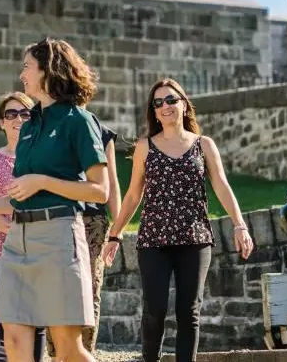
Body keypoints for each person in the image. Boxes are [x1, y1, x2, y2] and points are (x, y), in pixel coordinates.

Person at [0, 37, 109, 362]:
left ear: (48, 71)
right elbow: (18, 197)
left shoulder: (79, 121)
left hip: (58, 237)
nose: (22, 75)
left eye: (27, 66)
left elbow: (99, 190)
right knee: (14, 343)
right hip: (16, 243)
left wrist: (43, 181)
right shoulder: (30, 126)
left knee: (68, 349)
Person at [101, 77, 254, 362]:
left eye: (171, 99)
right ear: (154, 112)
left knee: (189, 312)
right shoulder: (145, 147)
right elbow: (134, 195)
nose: (165, 106)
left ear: (184, 104)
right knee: (154, 309)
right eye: (158, 103)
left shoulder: (204, 145)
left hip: (194, 239)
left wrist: (240, 225)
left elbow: (221, 185)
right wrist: (115, 234)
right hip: (154, 240)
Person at [0, 92, 46, 362]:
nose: (18, 119)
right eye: (11, 114)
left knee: (35, 321)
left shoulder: (43, 160)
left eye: (25, 113)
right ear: (1, 123)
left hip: (38, 251)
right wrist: (13, 230)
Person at [45, 111, 121, 360]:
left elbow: (112, 184)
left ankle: (84, 354)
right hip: (55, 216)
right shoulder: (47, 126)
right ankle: (57, 355)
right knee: (54, 288)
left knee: (89, 291)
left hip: (93, 221)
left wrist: (117, 232)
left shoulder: (101, 131)